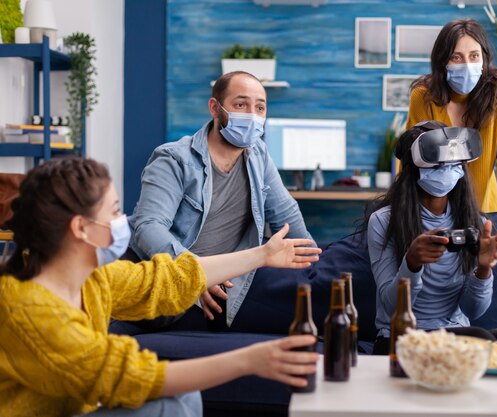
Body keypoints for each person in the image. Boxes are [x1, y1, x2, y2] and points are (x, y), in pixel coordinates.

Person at [0, 157, 322, 417]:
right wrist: (249, 360)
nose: (123, 220)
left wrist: (263, 255)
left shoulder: (93, 280)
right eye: (114, 212)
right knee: (166, 403)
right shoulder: (29, 309)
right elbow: (130, 375)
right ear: (81, 228)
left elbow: (168, 280)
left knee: (184, 394)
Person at [127, 71, 314, 329]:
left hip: (226, 278)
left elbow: (286, 213)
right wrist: (197, 275)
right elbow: (148, 228)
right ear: (215, 108)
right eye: (240, 105)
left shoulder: (258, 153)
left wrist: (312, 263)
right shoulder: (174, 159)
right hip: (166, 277)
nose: (251, 115)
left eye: (259, 107)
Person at [365, 122, 497, 355]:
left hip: (458, 331)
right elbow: (391, 307)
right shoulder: (383, 221)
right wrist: (411, 263)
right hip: (402, 336)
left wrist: (483, 270)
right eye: (439, 164)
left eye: (453, 163)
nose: (447, 170)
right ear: (413, 167)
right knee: (478, 339)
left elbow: (473, 310)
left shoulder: (473, 221)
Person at [406, 19, 497, 212]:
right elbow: (411, 164)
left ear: (484, 58)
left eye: (474, 56)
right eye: (456, 57)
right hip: (436, 216)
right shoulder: (423, 96)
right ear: (442, 60)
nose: (467, 65)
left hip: (488, 213)